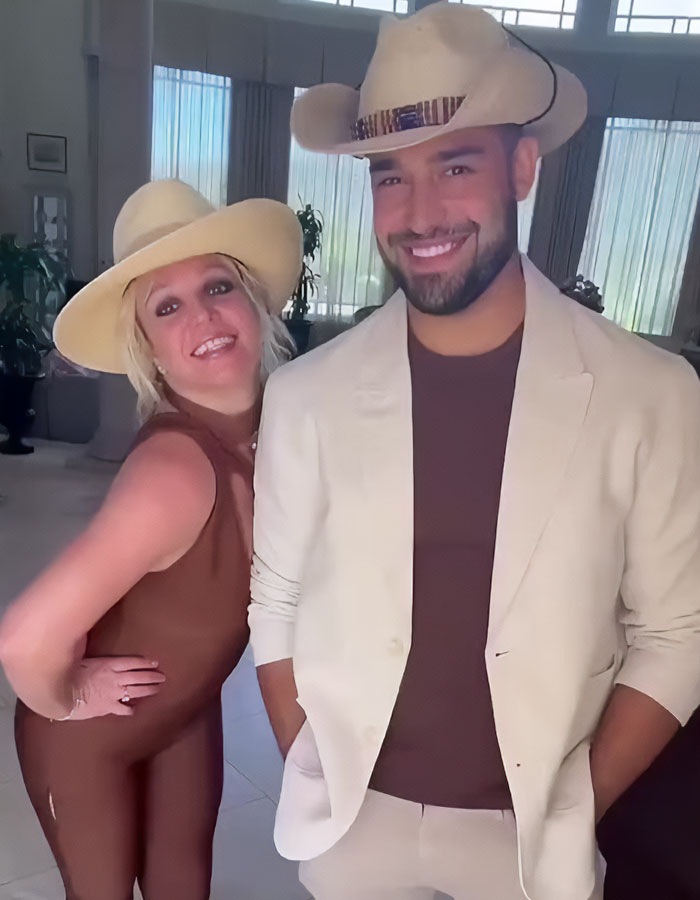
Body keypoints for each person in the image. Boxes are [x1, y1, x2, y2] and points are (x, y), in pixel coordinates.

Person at [247, 4, 700, 900]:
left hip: (529, 840)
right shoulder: (306, 394)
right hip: (353, 823)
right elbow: (277, 602)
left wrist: (578, 804)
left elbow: (677, 632)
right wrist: (312, 765)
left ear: (522, 169)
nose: (421, 213)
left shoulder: (649, 392)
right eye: (391, 177)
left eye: (455, 166)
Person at [0, 179, 301, 900]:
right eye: (167, 307)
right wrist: (69, 696)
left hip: (185, 711)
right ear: (151, 349)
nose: (203, 316)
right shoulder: (175, 471)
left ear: (254, 304)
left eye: (218, 286)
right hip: (87, 742)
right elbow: (24, 639)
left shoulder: (279, 432)